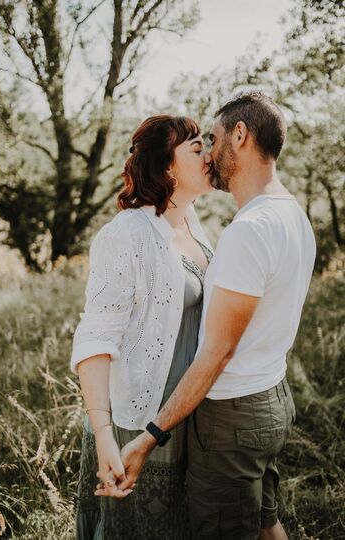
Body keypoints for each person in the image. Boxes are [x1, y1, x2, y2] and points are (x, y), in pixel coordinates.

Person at [111, 91, 317, 540]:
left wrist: (149, 438)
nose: (208, 150)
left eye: (214, 137)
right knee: (265, 524)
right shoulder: (293, 215)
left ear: (239, 136)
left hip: (234, 417)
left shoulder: (248, 230)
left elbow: (216, 354)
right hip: (271, 397)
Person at [70, 114, 214, 539]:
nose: (209, 155)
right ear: (168, 166)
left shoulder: (193, 224)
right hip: (138, 415)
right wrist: (103, 437)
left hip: (183, 414)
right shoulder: (127, 235)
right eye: (196, 148)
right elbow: (96, 339)